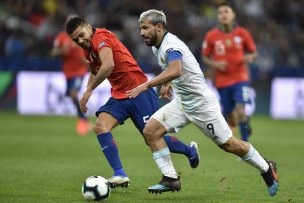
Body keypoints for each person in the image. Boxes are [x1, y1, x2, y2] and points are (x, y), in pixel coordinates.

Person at [126, 9, 279, 196]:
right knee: (150, 131)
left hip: (201, 104)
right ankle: (171, 179)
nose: (141, 33)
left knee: (229, 145)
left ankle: (266, 167)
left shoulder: (170, 46)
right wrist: (166, 83)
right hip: (182, 103)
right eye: (141, 28)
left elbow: (176, 69)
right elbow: (172, 70)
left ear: (159, 27)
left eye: (145, 28)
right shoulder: (157, 45)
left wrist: (146, 85)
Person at [65, 16, 200, 188]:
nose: (80, 40)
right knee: (100, 127)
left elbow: (108, 65)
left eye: (81, 35)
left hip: (139, 91)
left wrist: (90, 90)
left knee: (152, 137)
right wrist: (87, 89)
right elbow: (95, 70)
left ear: (89, 27)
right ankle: (119, 174)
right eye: (76, 39)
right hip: (120, 95)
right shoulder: (87, 49)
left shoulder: (101, 37)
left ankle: (189, 151)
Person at [201, 3, 257, 141]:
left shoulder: (243, 33)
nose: (223, 15)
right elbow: (204, 57)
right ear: (218, 17)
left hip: (240, 79)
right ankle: (245, 123)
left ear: (233, 15)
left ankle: (245, 145)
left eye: (226, 11)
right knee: (232, 118)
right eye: (220, 12)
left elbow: (254, 52)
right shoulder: (211, 36)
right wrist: (215, 64)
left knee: (240, 110)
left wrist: (250, 57)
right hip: (222, 81)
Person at [51, 16, 90, 136]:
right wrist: (62, 50)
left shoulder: (83, 35)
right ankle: (82, 118)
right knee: (70, 95)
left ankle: (83, 120)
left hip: (80, 71)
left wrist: (88, 60)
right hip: (68, 72)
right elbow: (53, 54)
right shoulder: (61, 37)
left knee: (73, 93)